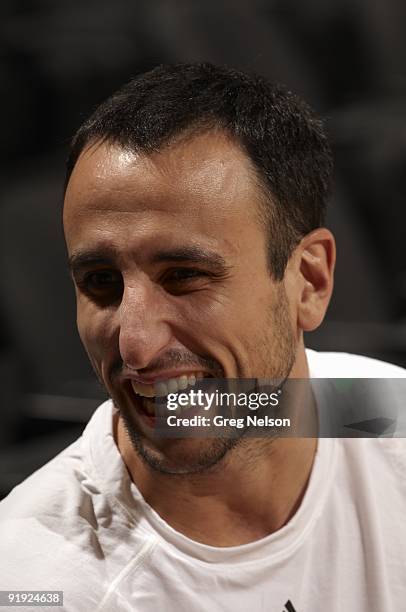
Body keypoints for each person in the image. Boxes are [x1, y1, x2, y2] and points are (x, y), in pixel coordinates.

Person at [1, 63, 405, 612]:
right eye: (100, 283)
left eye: (184, 275)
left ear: (309, 281)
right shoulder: (42, 584)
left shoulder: (383, 414)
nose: (133, 348)